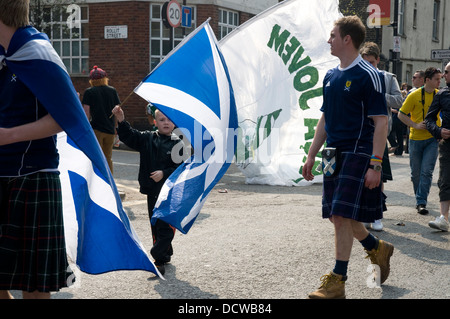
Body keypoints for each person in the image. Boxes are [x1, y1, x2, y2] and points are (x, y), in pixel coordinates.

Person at [302, 16, 394, 299]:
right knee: (336, 215)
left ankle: (338, 280)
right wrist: (311, 156)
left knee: (341, 214)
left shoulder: (369, 74)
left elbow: (381, 122)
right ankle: (376, 248)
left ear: (346, 39)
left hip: (358, 150)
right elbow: (325, 120)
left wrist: (376, 163)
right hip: (332, 152)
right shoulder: (330, 76)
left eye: (333, 35)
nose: (328, 40)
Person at [0, 0, 73, 299]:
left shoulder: (38, 51)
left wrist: (8, 136)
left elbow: (66, 115)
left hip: (33, 176)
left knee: (35, 289)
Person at [112, 105, 186, 275]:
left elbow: (184, 167)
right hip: (152, 189)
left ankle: (157, 256)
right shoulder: (147, 138)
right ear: (155, 122)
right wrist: (121, 119)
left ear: (174, 123)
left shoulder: (181, 142)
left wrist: (164, 173)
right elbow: (130, 136)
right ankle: (165, 253)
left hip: (170, 191)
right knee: (155, 224)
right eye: (161, 120)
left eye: (169, 120)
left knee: (166, 225)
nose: (165, 123)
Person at [360, 41, 403, 231]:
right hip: (360, 132)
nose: (368, 66)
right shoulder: (357, 77)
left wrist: (379, 95)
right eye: (364, 62)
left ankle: (377, 214)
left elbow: (399, 101)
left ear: (378, 60)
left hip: (379, 131)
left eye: (371, 62)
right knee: (361, 175)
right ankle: (363, 213)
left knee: (379, 176)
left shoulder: (387, 78)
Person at [398, 67, 442, 215]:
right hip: (415, 139)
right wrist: (415, 125)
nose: (439, 81)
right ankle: (420, 198)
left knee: (427, 172)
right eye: (437, 79)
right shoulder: (414, 95)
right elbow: (401, 114)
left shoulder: (439, 95)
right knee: (415, 174)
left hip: (432, 139)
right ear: (427, 80)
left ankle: (421, 202)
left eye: (440, 78)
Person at [425, 62, 450, 232]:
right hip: (447, 144)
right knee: (445, 180)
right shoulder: (442, 94)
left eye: (447, 72)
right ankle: (444, 218)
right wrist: (439, 131)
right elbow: (429, 119)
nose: (443, 75)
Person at [82, 65, 120, 173]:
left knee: (95, 157)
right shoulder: (112, 91)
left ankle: (97, 181)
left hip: (95, 130)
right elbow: (117, 111)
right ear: (105, 78)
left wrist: (85, 128)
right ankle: (109, 181)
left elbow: (86, 112)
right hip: (110, 130)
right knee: (107, 157)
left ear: (92, 80)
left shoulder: (89, 92)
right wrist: (116, 127)